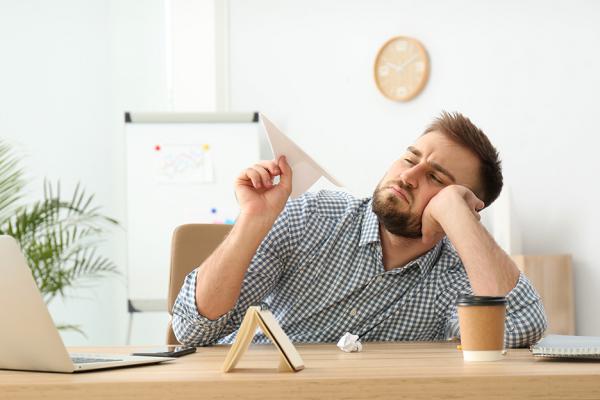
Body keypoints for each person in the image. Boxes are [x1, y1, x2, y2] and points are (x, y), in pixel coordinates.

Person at [172, 112, 547, 348]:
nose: (409, 176)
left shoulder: (456, 275)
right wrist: (252, 220)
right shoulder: (310, 217)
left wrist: (457, 216)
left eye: (436, 178)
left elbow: (520, 328)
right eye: (409, 159)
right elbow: (192, 330)